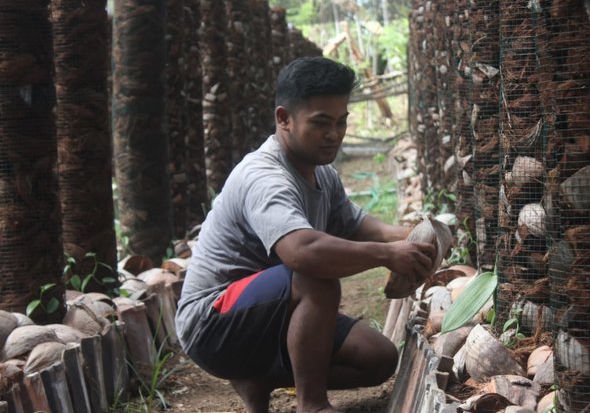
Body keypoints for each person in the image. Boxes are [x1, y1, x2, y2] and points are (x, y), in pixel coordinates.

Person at [175, 56, 435, 413]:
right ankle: (311, 404)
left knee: (378, 358)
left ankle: (259, 378)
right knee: (315, 277)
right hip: (212, 323)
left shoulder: (321, 172)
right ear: (284, 118)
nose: (334, 134)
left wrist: (412, 236)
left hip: (269, 315)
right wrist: (385, 255)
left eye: (341, 122)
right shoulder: (265, 177)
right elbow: (301, 252)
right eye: (321, 123)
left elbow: (355, 224)